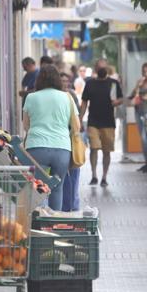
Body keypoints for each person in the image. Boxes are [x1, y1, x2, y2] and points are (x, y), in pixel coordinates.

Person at [23, 65, 80, 211]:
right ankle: (54, 223)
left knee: (38, 188)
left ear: (39, 79)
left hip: (36, 148)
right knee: (57, 188)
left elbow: (26, 126)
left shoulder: (31, 97)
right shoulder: (67, 97)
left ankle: (37, 224)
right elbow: (77, 126)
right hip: (62, 149)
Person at [80, 66, 123, 187]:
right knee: (93, 148)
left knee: (107, 150)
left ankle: (104, 177)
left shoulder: (113, 83)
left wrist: (117, 102)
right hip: (93, 121)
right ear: (96, 69)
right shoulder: (90, 83)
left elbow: (120, 98)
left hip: (108, 121)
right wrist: (80, 119)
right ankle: (94, 175)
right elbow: (84, 101)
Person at [60, 72, 82, 212]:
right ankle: (64, 204)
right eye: (62, 81)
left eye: (66, 81)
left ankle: (73, 203)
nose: (64, 83)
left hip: (70, 138)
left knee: (73, 172)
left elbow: (76, 118)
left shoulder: (71, 95)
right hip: (60, 139)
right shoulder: (55, 96)